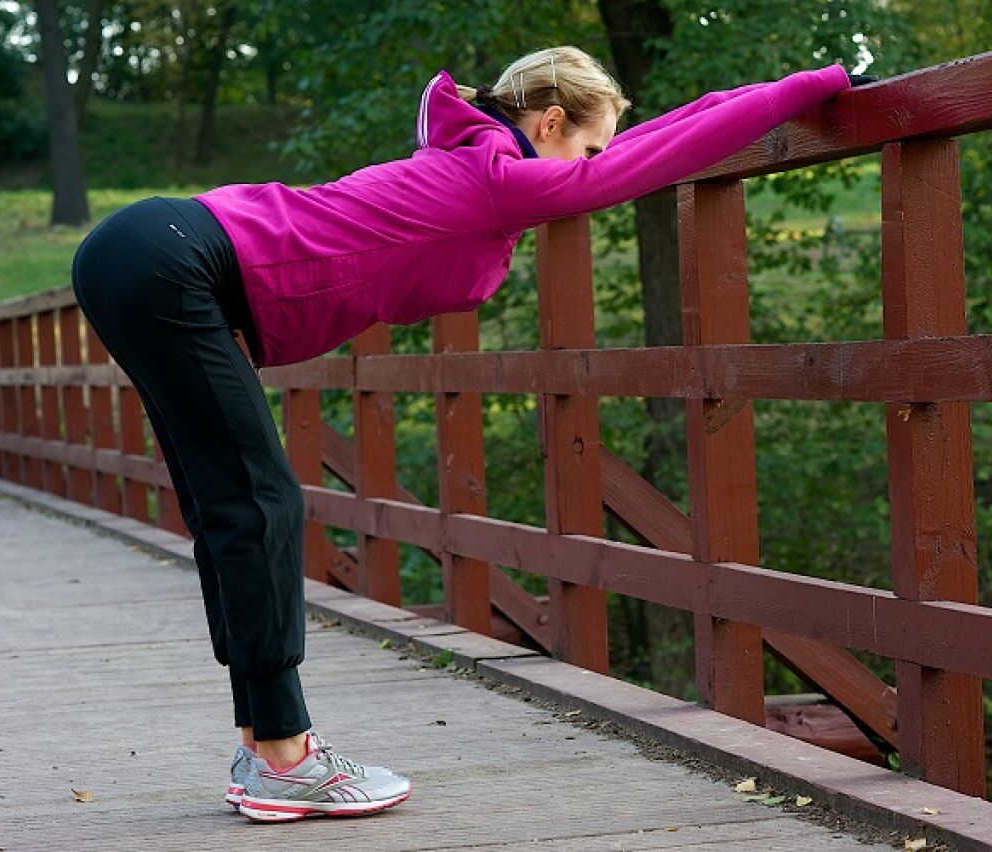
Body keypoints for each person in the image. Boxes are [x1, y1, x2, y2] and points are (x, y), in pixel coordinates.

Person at [70, 45, 858, 823]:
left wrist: (786, 89)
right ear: (549, 124)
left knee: (232, 507)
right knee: (259, 501)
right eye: (587, 147)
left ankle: (266, 747)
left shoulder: (479, 165)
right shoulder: (493, 178)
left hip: (146, 256)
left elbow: (657, 138)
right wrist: (815, 84)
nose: (592, 166)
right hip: (172, 263)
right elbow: (655, 161)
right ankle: (284, 754)